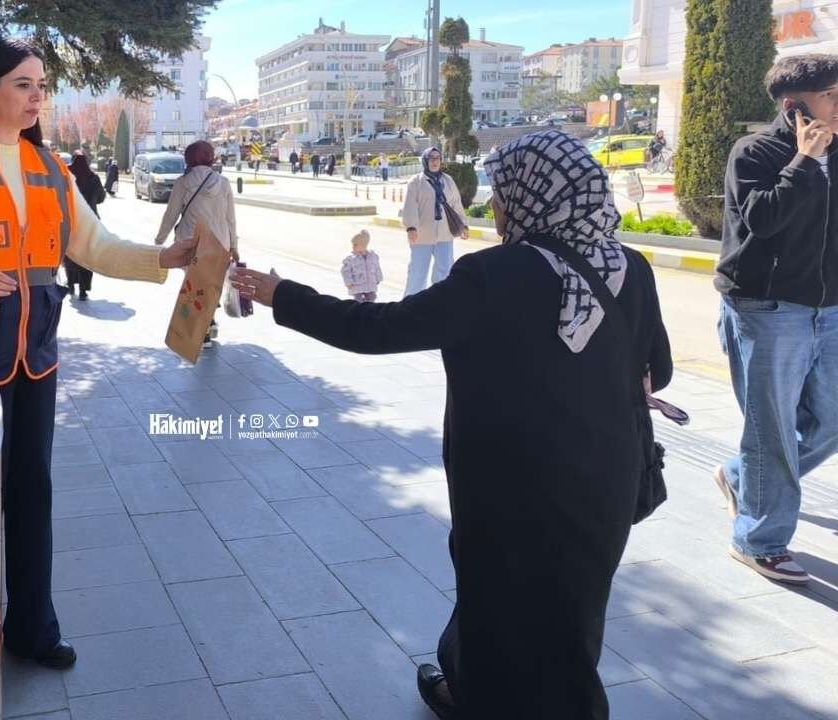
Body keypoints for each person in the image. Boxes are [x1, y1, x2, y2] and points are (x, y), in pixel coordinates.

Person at [232, 130, 671, 720]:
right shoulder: (631, 268)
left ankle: (483, 700)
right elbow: (659, 371)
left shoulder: (495, 275)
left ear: (532, 195)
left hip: (511, 484)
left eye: (504, 192)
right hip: (606, 482)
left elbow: (377, 331)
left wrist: (282, 294)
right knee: (574, 610)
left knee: (497, 605)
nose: (496, 206)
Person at [0, 36, 196, 670]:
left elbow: (95, 245)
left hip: (36, 356)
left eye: (42, 86)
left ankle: (33, 627)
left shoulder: (51, 168)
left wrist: (162, 259)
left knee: (33, 491)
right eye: (24, 84)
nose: (36, 97)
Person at [714, 54, 838, 585]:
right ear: (795, 108)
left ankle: (743, 476)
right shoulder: (754, 153)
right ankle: (759, 539)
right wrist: (804, 162)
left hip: (828, 310)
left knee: (830, 421)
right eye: (832, 94)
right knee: (771, 431)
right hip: (767, 310)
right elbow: (762, 221)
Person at [155, 140, 239, 348]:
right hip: (220, 242)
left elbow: (171, 214)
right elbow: (230, 218)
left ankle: (204, 330)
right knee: (210, 284)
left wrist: (159, 240)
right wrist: (234, 246)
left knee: (195, 286)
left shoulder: (183, 182)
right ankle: (208, 324)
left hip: (191, 242)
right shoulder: (223, 182)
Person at [402, 147, 469, 296]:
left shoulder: (448, 180)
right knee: (417, 273)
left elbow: (456, 204)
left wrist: (463, 224)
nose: (434, 161)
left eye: (437, 158)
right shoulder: (416, 182)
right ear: (425, 160)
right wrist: (411, 227)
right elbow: (410, 205)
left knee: (444, 272)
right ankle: (410, 306)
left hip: (445, 234)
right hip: (422, 236)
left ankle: (439, 304)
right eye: (431, 158)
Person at [65, 151, 105, 301]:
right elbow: (101, 198)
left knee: (70, 254)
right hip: (89, 222)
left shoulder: (67, 175)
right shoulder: (93, 178)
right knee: (87, 254)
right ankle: (83, 289)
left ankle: (70, 285)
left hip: (70, 221)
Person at [341, 229, 382, 302]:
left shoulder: (373, 256)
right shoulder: (351, 258)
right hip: (357, 286)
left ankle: (369, 312)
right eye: (352, 244)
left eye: (355, 245)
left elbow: (377, 268)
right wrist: (348, 282)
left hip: (370, 285)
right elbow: (345, 271)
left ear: (364, 245)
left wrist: (378, 278)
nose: (353, 247)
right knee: (358, 301)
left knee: (372, 299)